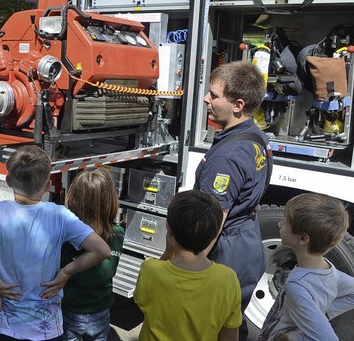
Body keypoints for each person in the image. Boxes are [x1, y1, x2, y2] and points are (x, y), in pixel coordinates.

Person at [0, 145, 111, 341]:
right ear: (47, 185)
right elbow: (101, 250)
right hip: (47, 328)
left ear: (8, 181)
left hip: (6, 326)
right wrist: (67, 272)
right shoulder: (59, 214)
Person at [172, 61, 271, 340]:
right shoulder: (255, 136)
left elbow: (213, 222)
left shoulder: (226, 159)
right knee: (231, 322)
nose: (205, 99)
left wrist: (184, 271)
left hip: (226, 252)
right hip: (248, 242)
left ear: (238, 104)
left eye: (214, 95)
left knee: (208, 328)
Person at [134, 190, 242, 341]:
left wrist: (168, 251)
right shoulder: (228, 279)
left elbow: (142, 302)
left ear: (169, 229)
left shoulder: (150, 270)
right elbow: (229, 336)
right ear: (214, 233)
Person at [259, 193, 354, 341]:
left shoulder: (297, 285)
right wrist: (322, 316)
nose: (279, 224)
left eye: (285, 222)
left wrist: (294, 337)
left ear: (303, 238)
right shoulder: (330, 271)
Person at [60, 167, 124, 341]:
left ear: (73, 199)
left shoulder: (65, 234)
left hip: (69, 308)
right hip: (100, 310)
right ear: (110, 200)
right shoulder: (117, 233)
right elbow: (110, 270)